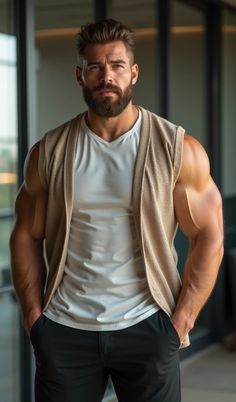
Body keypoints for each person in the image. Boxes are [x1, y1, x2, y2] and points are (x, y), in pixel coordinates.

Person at [10, 19, 224, 402]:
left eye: (117, 66)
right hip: (64, 330)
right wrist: (34, 318)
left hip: (148, 328)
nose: (106, 76)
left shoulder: (177, 149)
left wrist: (180, 322)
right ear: (80, 75)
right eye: (95, 67)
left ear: (133, 73)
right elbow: (25, 232)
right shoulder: (51, 152)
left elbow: (209, 233)